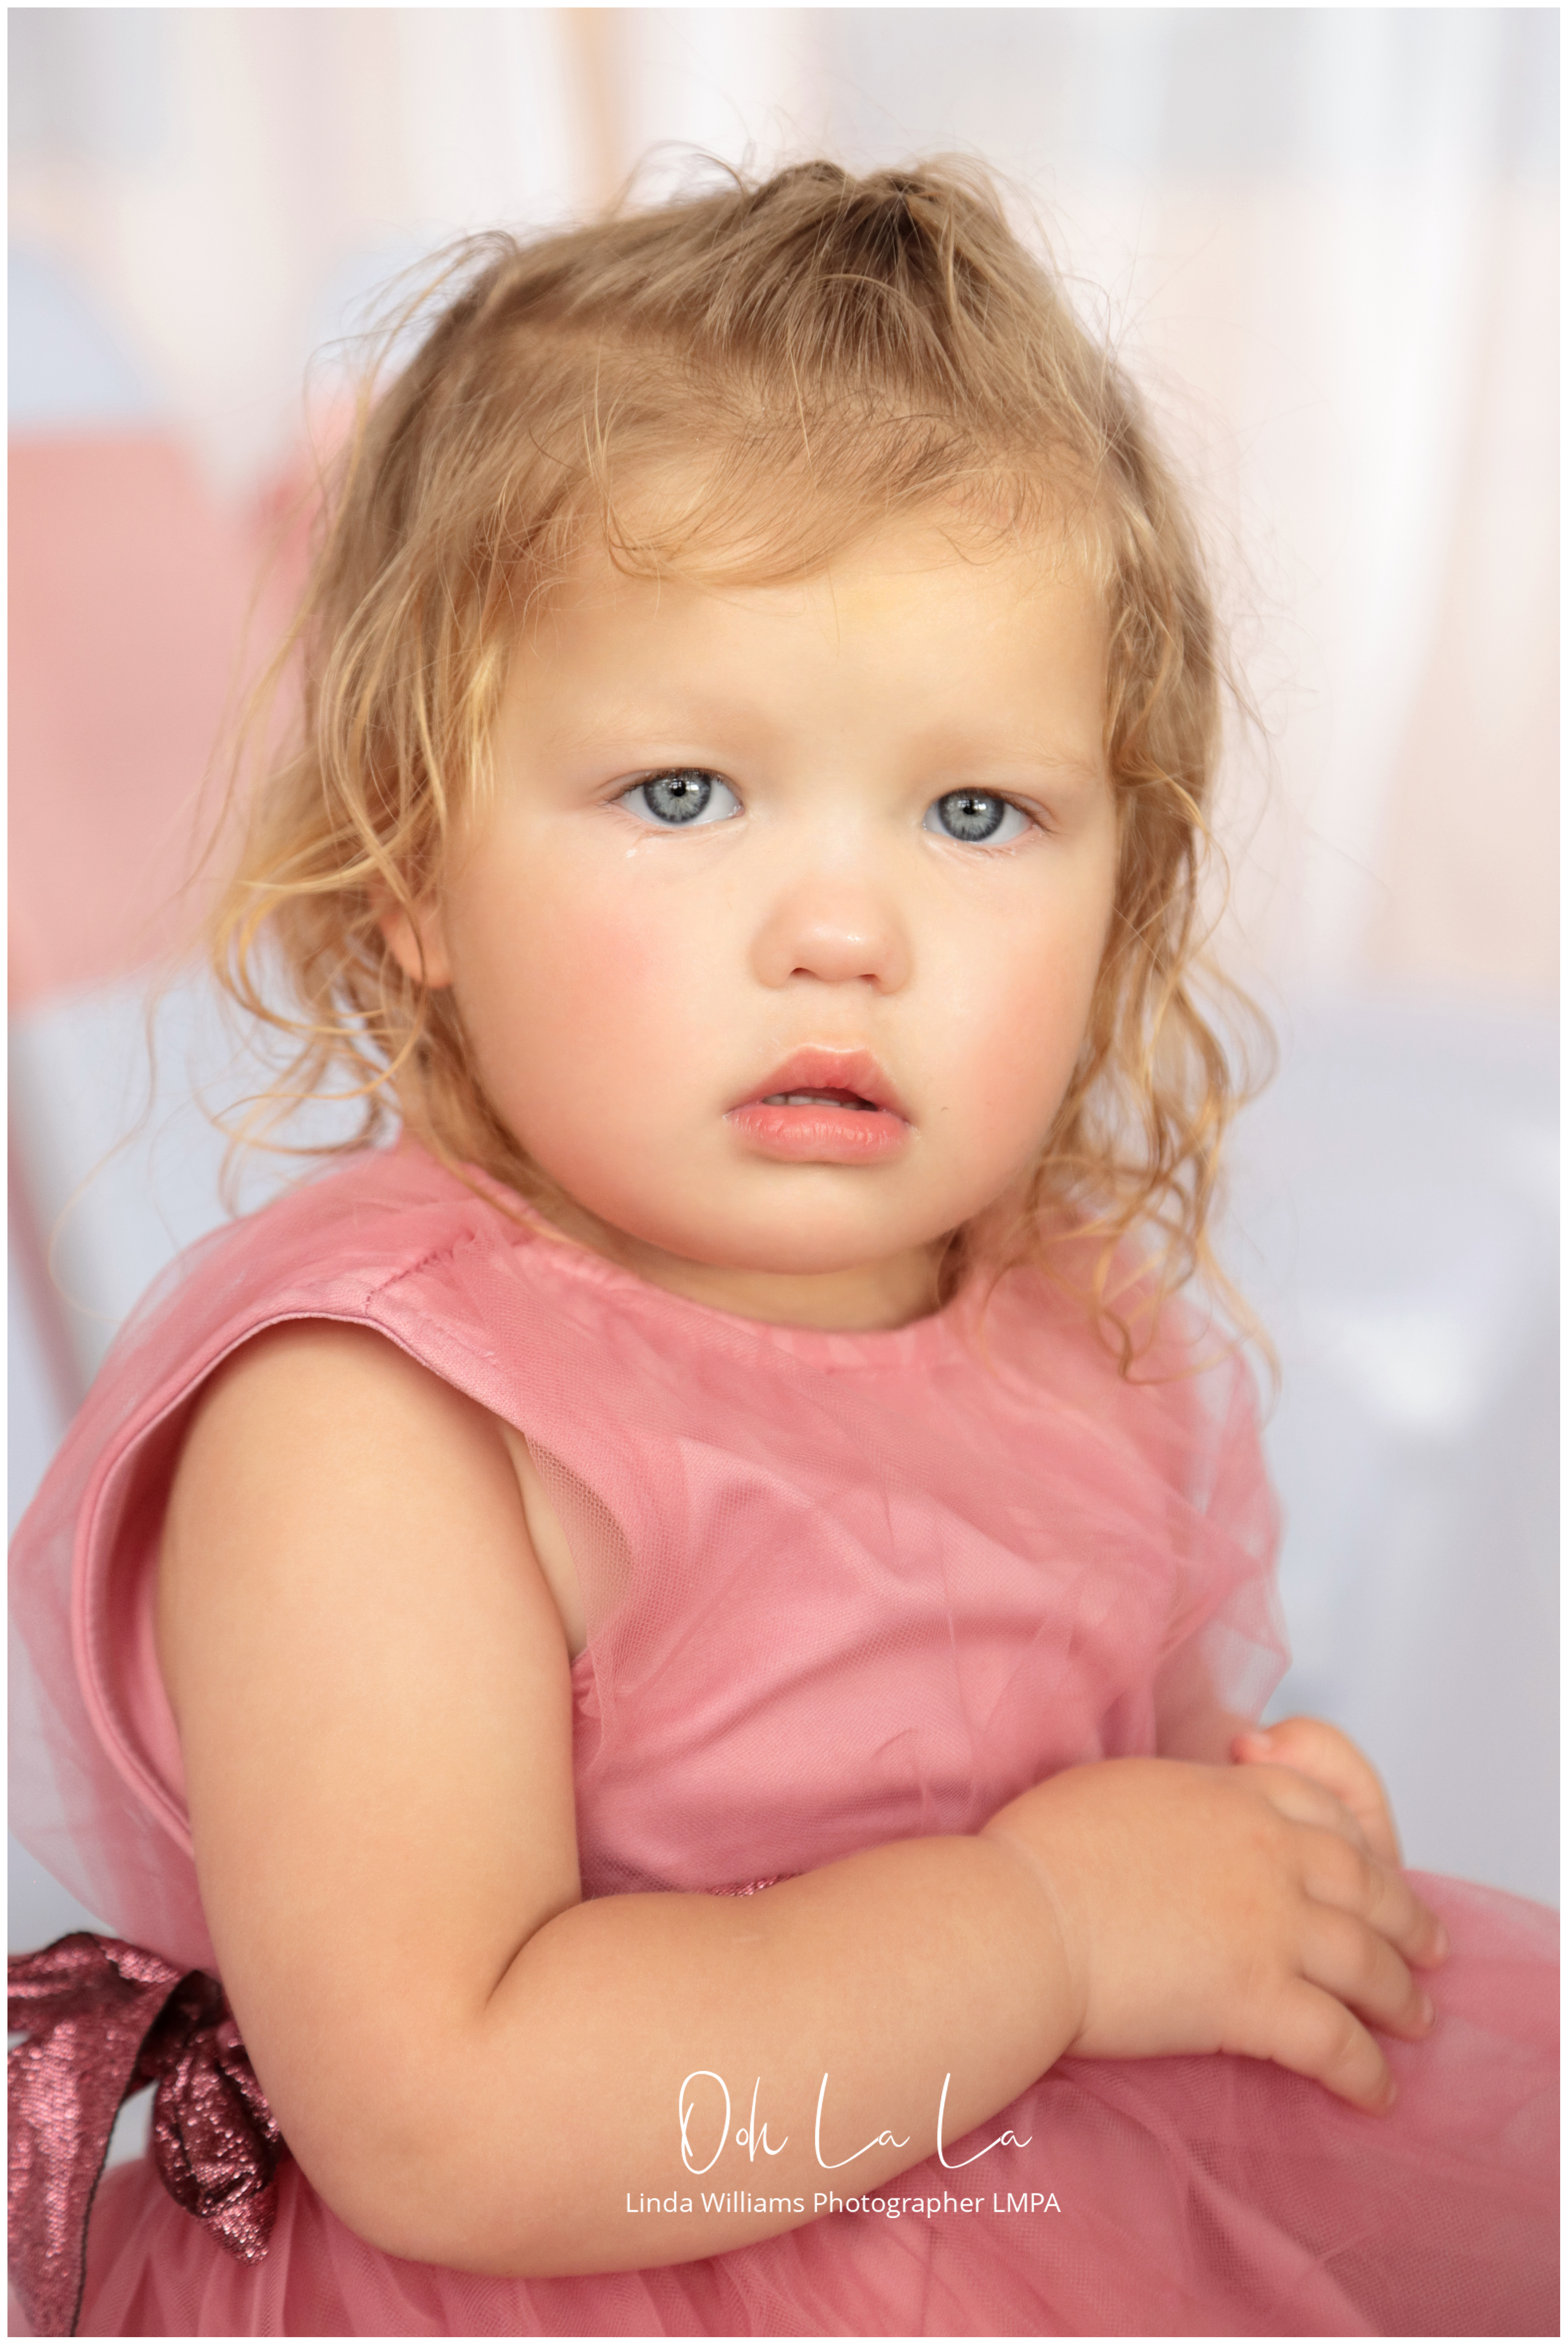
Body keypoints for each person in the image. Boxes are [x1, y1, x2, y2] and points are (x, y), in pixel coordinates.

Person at [8, 162, 1556, 2340]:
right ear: (414, 879)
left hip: (1039, 2211)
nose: (846, 930)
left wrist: (1255, 1859)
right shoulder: (380, 1426)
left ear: (1131, 885)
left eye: (976, 813)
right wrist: (1045, 1930)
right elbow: (443, 2115)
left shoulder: (1065, 1325)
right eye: (681, 794)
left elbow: (1120, 1771)